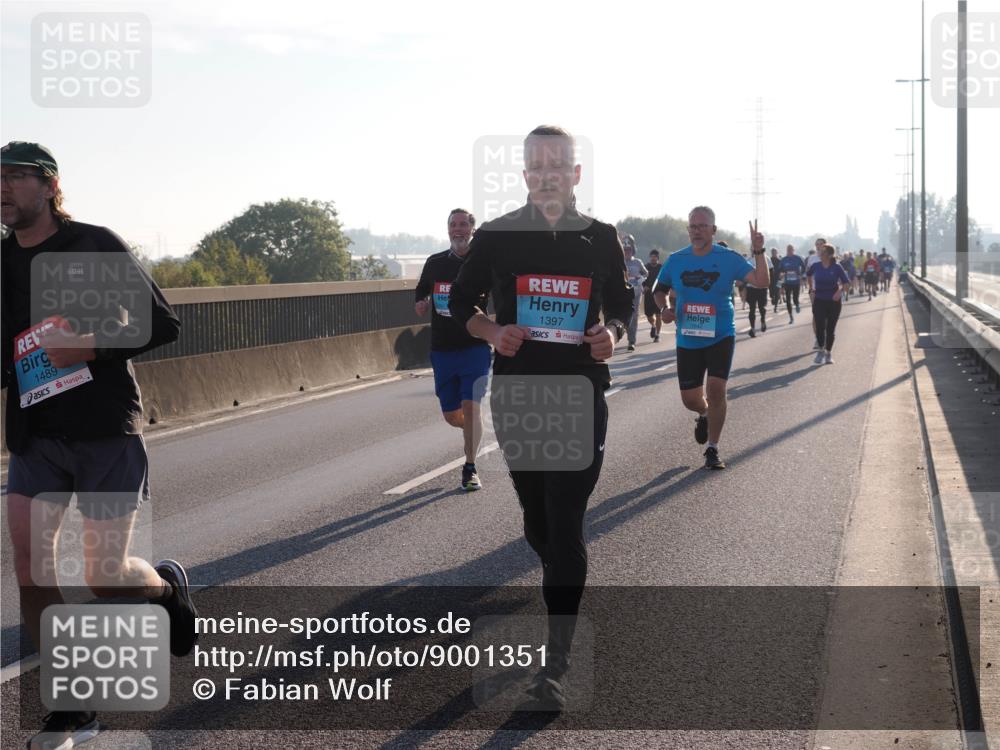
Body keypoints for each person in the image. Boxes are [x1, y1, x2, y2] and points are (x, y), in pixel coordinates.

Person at [1, 141, 197, 749]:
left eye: (15, 177)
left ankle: (163, 591)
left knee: (104, 574)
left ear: (50, 186)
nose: (3, 188)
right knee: (33, 569)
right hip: (35, 434)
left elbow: (161, 321)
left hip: (105, 426)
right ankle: (72, 708)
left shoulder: (93, 243)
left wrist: (86, 345)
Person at [449, 125, 633, 711]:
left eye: (560, 163)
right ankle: (559, 575)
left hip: (581, 395)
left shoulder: (601, 238)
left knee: (567, 519)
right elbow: (461, 303)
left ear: (576, 174)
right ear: (525, 175)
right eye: (538, 165)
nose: (549, 172)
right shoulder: (499, 236)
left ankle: (556, 663)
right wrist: (491, 330)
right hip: (520, 397)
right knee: (538, 525)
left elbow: (624, 302)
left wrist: (615, 333)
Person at [653, 207, 769, 470]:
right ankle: (703, 413)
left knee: (716, 390)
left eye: (703, 226)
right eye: (693, 226)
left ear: (713, 230)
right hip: (688, 339)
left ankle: (713, 448)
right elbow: (658, 290)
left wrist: (759, 251)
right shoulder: (677, 259)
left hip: (720, 335)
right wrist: (664, 310)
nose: (697, 231)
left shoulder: (728, 258)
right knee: (690, 400)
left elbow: (761, 281)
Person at [414, 208, 492, 491]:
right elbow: (422, 288)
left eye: (462, 224)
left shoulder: (483, 263)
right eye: (452, 225)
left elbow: (505, 291)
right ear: (448, 230)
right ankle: (474, 429)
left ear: (472, 229)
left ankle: (470, 467)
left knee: (471, 407)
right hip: (443, 350)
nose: (457, 229)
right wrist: (421, 302)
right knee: (451, 416)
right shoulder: (435, 263)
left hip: (474, 347)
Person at [806, 243, 851, 364]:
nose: (820, 253)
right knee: (820, 327)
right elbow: (808, 275)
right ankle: (820, 350)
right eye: (820, 251)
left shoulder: (837, 267)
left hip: (833, 302)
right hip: (819, 300)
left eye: (823, 252)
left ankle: (828, 353)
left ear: (830, 255)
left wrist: (840, 291)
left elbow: (846, 283)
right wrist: (811, 289)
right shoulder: (816, 266)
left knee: (830, 329)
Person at [621, 235, 647, 351]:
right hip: (622, 292)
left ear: (633, 250)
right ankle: (623, 331)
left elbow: (646, 274)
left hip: (636, 293)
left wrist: (640, 278)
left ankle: (631, 341)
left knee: (634, 316)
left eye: (629, 250)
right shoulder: (619, 262)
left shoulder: (637, 262)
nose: (627, 252)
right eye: (625, 250)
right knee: (623, 315)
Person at [745, 250, 772, 337]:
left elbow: (771, 272)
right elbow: (744, 274)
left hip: (762, 288)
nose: (754, 251)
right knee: (751, 309)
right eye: (752, 249)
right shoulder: (748, 260)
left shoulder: (766, 258)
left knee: (761, 307)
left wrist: (770, 286)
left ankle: (763, 320)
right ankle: (752, 328)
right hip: (751, 288)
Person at [778, 244, 805, 323]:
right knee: (788, 300)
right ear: (786, 250)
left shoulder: (797, 258)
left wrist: (801, 275)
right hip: (787, 282)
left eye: (791, 249)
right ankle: (791, 317)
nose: (789, 251)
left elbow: (803, 267)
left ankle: (797, 304)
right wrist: (781, 277)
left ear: (793, 250)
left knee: (795, 298)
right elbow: (780, 270)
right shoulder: (784, 259)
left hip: (796, 282)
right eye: (788, 249)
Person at [642, 249, 663, 342]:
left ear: (657, 258)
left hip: (658, 294)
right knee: (649, 315)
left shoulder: (661, 267)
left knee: (659, 315)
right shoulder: (645, 267)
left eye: (655, 257)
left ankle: (657, 335)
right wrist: (644, 286)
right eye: (651, 257)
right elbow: (640, 278)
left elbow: (666, 278)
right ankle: (653, 326)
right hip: (648, 295)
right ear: (649, 258)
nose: (653, 259)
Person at [768, 247, 782, 313]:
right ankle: (772, 298)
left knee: (777, 292)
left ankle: (776, 306)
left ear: (777, 252)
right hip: (770, 279)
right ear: (771, 253)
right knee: (771, 292)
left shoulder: (779, 261)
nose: (774, 253)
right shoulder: (769, 260)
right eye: (772, 252)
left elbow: (782, 270)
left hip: (778, 279)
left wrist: (782, 276)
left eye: (775, 252)